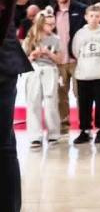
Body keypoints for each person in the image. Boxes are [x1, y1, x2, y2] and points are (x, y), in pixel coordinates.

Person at [0, 0, 32, 212]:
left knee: (4, 147)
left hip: (4, 62)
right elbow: (20, 0)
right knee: (5, 146)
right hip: (6, 60)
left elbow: (21, 0)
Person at [71, 4, 100, 145]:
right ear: (86, 17)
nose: (94, 19)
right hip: (83, 74)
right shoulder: (80, 33)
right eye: (91, 16)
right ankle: (85, 131)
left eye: (97, 16)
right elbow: (75, 52)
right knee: (84, 104)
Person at [22, 10, 63, 148]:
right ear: (41, 24)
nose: (52, 27)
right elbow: (23, 60)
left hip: (50, 70)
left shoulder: (56, 39)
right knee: (33, 103)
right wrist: (32, 56)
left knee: (51, 103)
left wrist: (49, 53)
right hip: (33, 71)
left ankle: (53, 134)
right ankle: (35, 136)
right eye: (49, 24)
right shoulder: (30, 39)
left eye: (53, 24)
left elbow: (60, 59)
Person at [51, 0, 86, 135]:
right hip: (58, 61)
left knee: (81, 95)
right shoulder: (50, 12)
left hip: (77, 61)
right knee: (60, 96)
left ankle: (84, 125)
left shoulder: (81, 9)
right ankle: (63, 125)